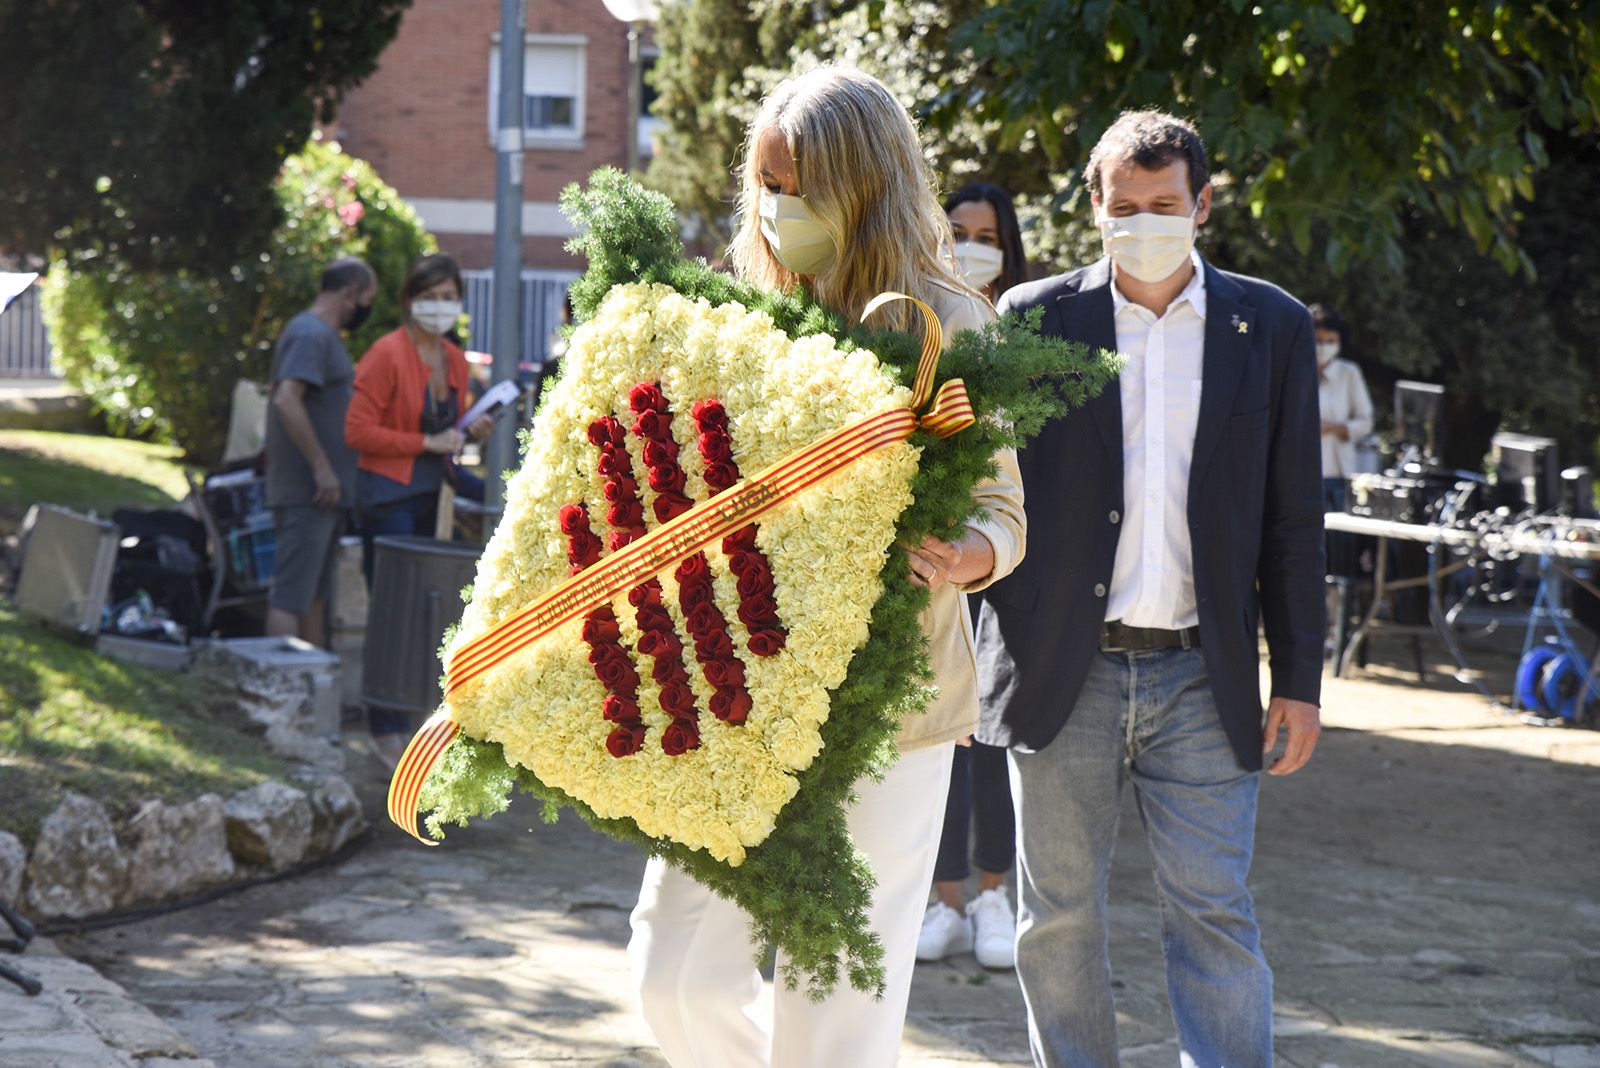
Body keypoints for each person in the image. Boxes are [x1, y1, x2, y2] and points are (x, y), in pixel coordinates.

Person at [626, 66, 1026, 1067]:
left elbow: (999, 510)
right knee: (672, 977)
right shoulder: (737, 316)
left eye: (795, 187)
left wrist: (962, 552)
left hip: (888, 711)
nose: (773, 209)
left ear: (860, 185)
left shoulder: (954, 322)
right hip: (737, 699)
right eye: (763, 182)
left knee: (837, 1002)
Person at [972, 109, 1325, 1068]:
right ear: (1095, 209)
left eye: (1164, 204)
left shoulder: (1272, 326)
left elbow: (1295, 519)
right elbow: (991, 494)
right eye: (1124, 206)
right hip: (1063, 675)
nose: (1144, 222)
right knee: (1057, 919)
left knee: (1213, 913)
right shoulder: (1036, 320)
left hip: (1202, 680)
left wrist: (1300, 679)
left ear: (1202, 205)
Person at [916, 181, 1030, 971]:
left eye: (988, 233)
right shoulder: (923, 323)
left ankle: (995, 896)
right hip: (937, 569)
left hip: (1012, 566)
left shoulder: (1030, 325)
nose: (973, 244)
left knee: (993, 737)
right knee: (943, 739)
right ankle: (944, 899)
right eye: (958, 230)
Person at [345, 252, 493, 581]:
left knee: (429, 595)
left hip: (435, 491)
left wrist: (473, 431)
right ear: (409, 301)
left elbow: (448, 431)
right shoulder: (386, 353)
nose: (439, 305)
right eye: (429, 297)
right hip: (388, 496)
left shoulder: (455, 358)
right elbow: (356, 431)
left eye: (448, 297)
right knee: (395, 596)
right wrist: (426, 442)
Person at [263, 257, 374, 647]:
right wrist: (322, 468)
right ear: (351, 294)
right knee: (291, 596)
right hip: (307, 491)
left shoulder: (322, 336)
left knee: (314, 598)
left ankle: (313, 692)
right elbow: (286, 401)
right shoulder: (310, 334)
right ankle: (283, 692)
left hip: (325, 496)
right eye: (367, 299)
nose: (365, 309)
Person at [1309, 303, 1374, 513]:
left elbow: (1365, 423)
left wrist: (1332, 428)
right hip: (1297, 471)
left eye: (1330, 342)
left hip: (1336, 474)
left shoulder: (1349, 373)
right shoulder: (1294, 369)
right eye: (1318, 341)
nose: (1323, 347)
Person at [945, 181, 1029, 303]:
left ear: (1007, 246)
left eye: (985, 238)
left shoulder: (1030, 316)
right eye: (957, 234)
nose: (969, 248)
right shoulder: (915, 308)